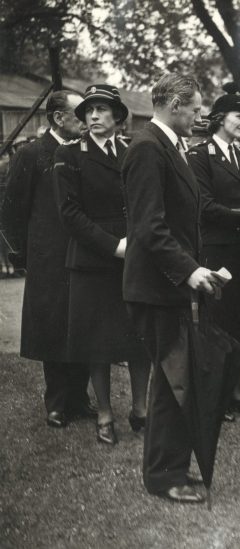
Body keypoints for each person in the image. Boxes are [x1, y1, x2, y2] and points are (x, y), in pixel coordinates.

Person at [122, 73, 224, 504]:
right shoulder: (148, 148)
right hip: (157, 286)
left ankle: (171, 467)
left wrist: (194, 268)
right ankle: (165, 477)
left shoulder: (166, 145)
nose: (200, 115)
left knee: (174, 378)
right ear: (175, 105)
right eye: (197, 108)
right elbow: (149, 226)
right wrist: (188, 271)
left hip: (168, 284)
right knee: (169, 381)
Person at [53, 85, 150, 444]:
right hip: (93, 260)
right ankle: (105, 414)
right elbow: (70, 215)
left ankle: (141, 410)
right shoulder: (69, 155)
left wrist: (138, 244)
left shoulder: (132, 151)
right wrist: (114, 246)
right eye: (89, 110)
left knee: (140, 336)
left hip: (135, 256)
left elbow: (144, 202)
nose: (93, 116)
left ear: (118, 116)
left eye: (101, 110)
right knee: (98, 344)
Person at [1, 90, 94, 429]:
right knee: (53, 327)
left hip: (83, 253)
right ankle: (57, 403)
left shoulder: (85, 152)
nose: (87, 121)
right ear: (58, 118)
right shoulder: (31, 154)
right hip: (49, 258)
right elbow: (11, 210)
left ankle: (81, 399)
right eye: (79, 114)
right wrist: (25, 255)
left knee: (82, 323)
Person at [186, 90, 240, 418]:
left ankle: (234, 389)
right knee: (217, 324)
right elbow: (203, 206)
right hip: (218, 249)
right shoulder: (200, 156)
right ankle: (214, 395)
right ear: (220, 119)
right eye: (239, 117)